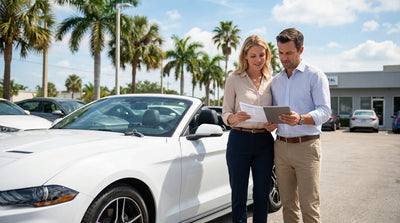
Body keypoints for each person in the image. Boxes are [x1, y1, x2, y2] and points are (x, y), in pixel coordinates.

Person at [264, 28, 331, 223]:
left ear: (300, 50)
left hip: (307, 148)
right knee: (288, 205)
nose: (284, 58)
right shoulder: (276, 81)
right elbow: (276, 112)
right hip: (281, 147)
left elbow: (325, 111)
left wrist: (301, 118)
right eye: (280, 52)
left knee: (309, 205)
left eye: (289, 53)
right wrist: (272, 123)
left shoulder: (315, 76)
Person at [222, 35, 275, 223]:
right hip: (239, 140)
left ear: (267, 55)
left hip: (264, 142)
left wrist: (273, 123)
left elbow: (275, 112)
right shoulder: (234, 79)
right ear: (245, 55)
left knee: (262, 195)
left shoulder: (272, 80)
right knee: (239, 196)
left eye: (262, 55)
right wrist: (234, 118)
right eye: (253, 56)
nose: (258, 60)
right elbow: (225, 113)